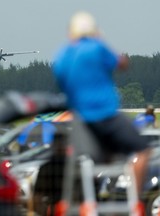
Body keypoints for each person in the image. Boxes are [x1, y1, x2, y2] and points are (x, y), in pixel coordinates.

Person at [52, 11, 152, 214]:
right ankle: (136, 200)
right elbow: (122, 63)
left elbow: (61, 81)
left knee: (86, 160)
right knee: (142, 151)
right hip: (108, 115)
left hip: (81, 119)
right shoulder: (97, 47)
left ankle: (79, 200)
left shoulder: (62, 56)